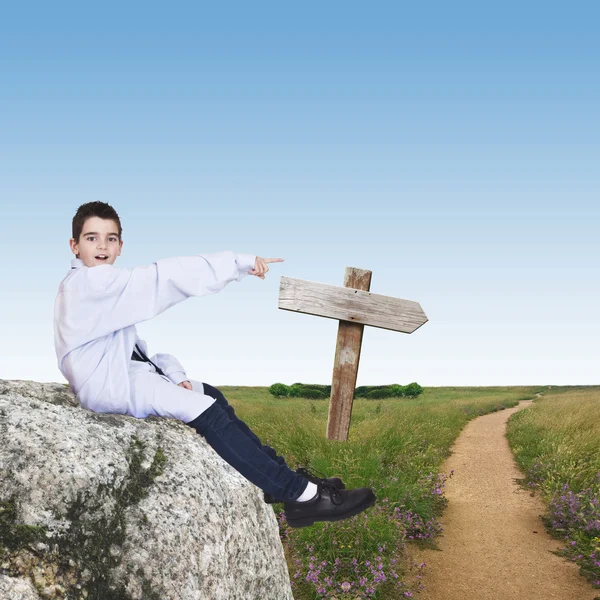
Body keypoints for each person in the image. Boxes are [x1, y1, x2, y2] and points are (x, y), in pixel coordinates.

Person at [54, 201, 376, 528]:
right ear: (74, 245)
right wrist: (237, 264)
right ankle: (302, 496)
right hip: (108, 386)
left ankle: (282, 480)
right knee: (205, 411)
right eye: (92, 238)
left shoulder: (92, 285)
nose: (102, 246)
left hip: (119, 376)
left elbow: (133, 350)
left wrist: (173, 376)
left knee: (211, 394)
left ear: (120, 246)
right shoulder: (88, 283)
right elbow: (162, 277)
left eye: (110, 238)